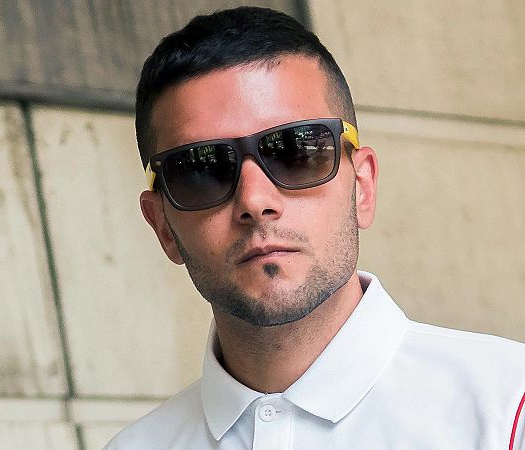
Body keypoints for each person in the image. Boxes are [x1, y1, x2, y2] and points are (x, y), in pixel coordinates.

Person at [104, 6, 525, 450]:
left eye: (295, 150)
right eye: (201, 170)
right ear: (162, 226)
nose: (255, 201)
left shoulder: (506, 409)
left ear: (361, 187)